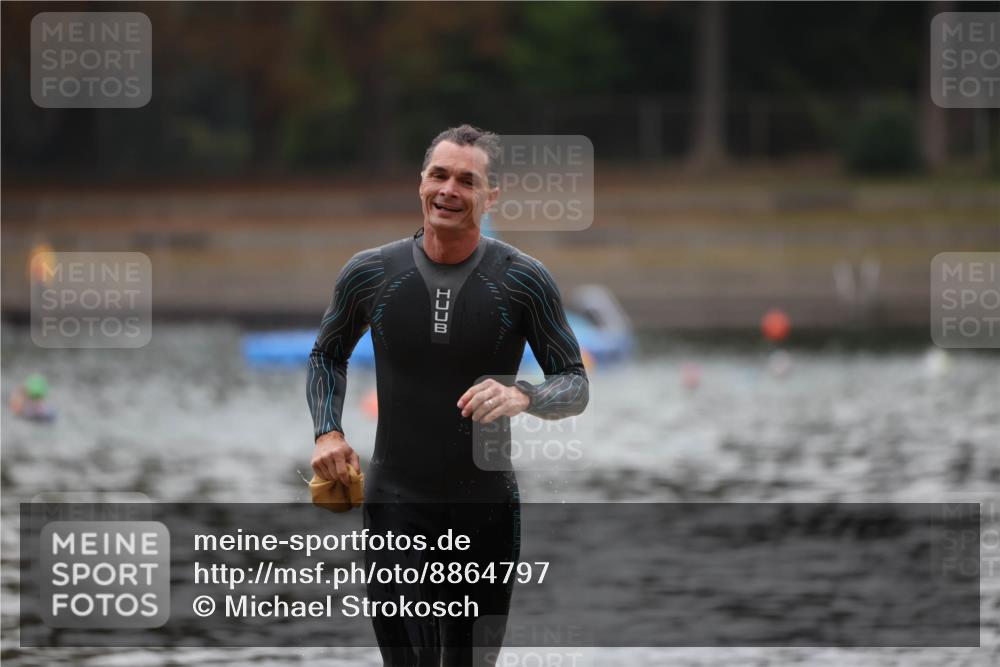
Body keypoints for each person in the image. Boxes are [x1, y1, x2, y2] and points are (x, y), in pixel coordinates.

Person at [307, 125, 589, 665]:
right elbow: (326, 355)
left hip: (484, 512)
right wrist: (329, 430)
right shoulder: (371, 273)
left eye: (467, 180)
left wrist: (524, 395)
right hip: (395, 505)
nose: (449, 191)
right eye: (439, 175)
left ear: (491, 196)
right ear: (420, 183)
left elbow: (575, 383)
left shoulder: (522, 280)